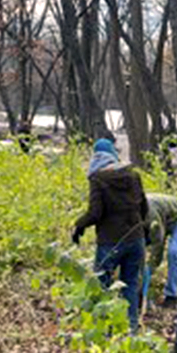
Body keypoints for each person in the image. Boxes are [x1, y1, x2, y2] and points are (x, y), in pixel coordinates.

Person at [72, 138, 148, 332]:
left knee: (102, 284)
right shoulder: (133, 175)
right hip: (135, 238)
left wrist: (78, 226)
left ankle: (104, 329)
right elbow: (144, 206)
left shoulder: (97, 178)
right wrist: (142, 232)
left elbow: (95, 213)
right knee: (129, 283)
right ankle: (131, 328)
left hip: (110, 242)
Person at [143, 193, 177, 309]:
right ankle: (142, 294)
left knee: (174, 252)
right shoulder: (129, 213)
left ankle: (172, 295)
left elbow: (158, 245)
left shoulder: (150, 214)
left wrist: (151, 268)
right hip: (164, 219)